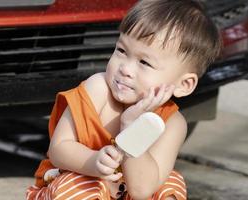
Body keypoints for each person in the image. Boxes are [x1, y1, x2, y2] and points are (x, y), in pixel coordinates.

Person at [26, 0, 221, 199]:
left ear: (183, 85)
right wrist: (93, 161)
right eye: (121, 51)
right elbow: (58, 149)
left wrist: (132, 130)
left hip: (127, 191)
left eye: (144, 62)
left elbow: (142, 190)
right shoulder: (98, 89)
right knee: (80, 184)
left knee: (171, 183)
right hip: (69, 184)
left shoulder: (172, 124)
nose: (125, 69)